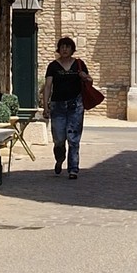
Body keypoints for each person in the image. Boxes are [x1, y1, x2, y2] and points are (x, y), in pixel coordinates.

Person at [42, 35, 89, 179]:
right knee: (59, 139)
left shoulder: (79, 64)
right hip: (58, 106)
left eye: (67, 47)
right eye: (62, 47)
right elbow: (48, 86)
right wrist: (45, 106)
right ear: (59, 49)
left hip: (75, 105)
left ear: (72, 49)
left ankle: (73, 169)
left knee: (73, 138)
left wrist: (84, 76)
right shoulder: (53, 66)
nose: (64, 49)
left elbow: (90, 81)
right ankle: (59, 159)